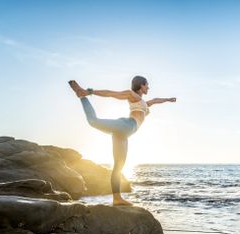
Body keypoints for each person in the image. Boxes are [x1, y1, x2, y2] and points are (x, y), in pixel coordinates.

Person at [68, 76, 176, 206]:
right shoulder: (133, 95)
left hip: (124, 134)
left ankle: (117, 198)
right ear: (141, 85)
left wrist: (168, 99)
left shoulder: (143, 102)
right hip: (126, 125)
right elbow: (111, 93)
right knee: (93, 121)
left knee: (118, 166)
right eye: (147, 85)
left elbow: (155, 100)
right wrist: (89, 91)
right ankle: (82, 95)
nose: (148, 87)